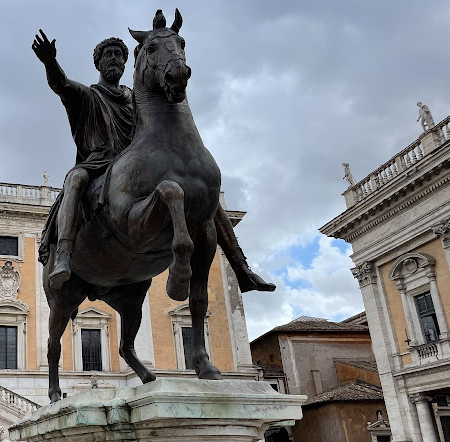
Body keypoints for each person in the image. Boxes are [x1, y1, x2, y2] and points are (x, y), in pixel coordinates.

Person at [32, 30, 274, 294]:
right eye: (107, 55)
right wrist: (49, 62)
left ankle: (242, 267)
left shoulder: (136, 100)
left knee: (207, 194)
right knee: (74, 180)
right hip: (98, 164)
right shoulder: (87, 95)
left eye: (118, 55)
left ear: (126, 64)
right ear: (98, 63)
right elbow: (61, 84)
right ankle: (65, 253)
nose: (113, 59)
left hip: (136, 169)